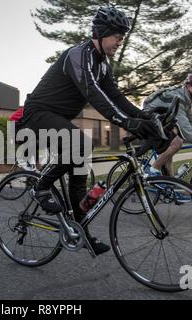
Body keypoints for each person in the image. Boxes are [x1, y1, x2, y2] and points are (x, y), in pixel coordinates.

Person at [20, 4, 164, 255]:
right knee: (81, 144)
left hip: (59, 117)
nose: (120, 42)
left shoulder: (103, 64)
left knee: (79, 179)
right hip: (38, 112)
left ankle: (81, 232)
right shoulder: (78, 55)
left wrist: (144, 117)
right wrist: (125, 122)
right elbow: (93, 92)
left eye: (122, 38)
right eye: (118, 37)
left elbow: (116, 97)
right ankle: (40, 186)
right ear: (102, 32)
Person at [142, 74, 192, 177]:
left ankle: (169, 181)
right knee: (177, 142)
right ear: (189, 87)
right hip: (149, 116)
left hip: (161, 118)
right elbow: (184, 125)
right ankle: (153, 170)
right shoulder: (178, 98)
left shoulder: (186, 100)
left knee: (171, 146)